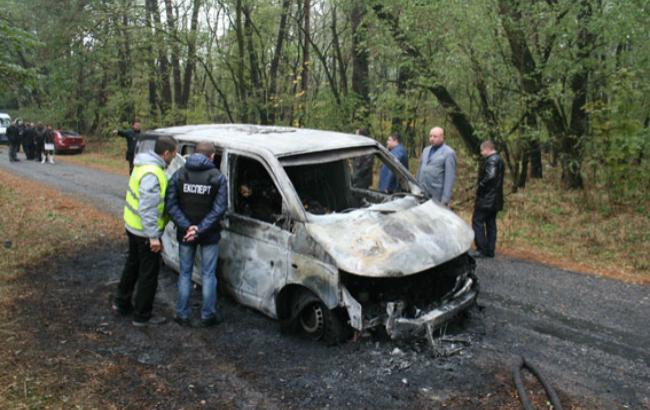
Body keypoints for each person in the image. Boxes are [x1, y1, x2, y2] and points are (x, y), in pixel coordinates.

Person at [112, 135, 178, 326]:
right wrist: (153, 237)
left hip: (133, 227)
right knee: (148, 274)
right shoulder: (152, 173)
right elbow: (147, 208)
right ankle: (142, 315)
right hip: (144, 232)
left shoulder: (142, 164)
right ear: (166, 153)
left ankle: (121, 303)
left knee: (132, 265)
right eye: (173, 154)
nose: (174, 158)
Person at [165, 141, 228, 327]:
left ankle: (182, 314)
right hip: (209, 234)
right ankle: (208, 315)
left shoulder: (179, 174)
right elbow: (219, 209)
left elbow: (171, 204)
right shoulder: (217, 177)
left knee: (185, 273)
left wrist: (188, 227)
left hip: (186, 234)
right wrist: (200, 228)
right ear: (212, 156)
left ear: (193, 154)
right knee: (208, 275)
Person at [471, 140, 505, 258]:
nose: (481, 153)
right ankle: (490, 250)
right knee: (491, 223)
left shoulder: (492, 160)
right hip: (495, 199)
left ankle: (481, 248)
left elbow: (490, 176)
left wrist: (480, 185)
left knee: (477, 221)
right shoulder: (499, 160)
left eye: (482, 150)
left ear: (487, 149)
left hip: (486, 198)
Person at [416, 126, 457, 206]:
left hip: (436, 195)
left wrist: (445, 200)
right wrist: (416, 187)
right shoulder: (426, 150)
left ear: (442, 137)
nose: (432, 138)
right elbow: (420, 169)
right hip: (422, 192)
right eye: (430, 136)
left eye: (435, 136)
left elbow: (449, 178)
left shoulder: (449, 153)